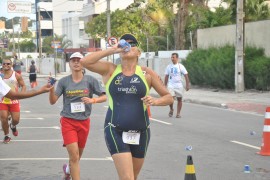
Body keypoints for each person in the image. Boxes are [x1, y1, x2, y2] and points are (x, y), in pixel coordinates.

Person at [81, 34, 173, 180]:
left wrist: (155, 101)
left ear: (138, 52)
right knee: (127, 178)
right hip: (115, 129)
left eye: (132, 43)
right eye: (125, 43)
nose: (127, 46)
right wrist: (112, 49)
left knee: (133, 177)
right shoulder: (110, 70)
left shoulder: (146, 73)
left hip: (141, 132)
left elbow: (169, 97)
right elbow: (85, 62)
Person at [48, 52, 106, 180]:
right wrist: (51, 89)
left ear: (83, 63)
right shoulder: (64, 81)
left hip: (84, 122)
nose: (76, 62)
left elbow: (104, 96)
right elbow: (52, 101)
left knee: (78, 156)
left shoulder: (90, 80)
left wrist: (93, 100)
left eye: (78, 60)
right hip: (68, 121)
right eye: (73, 60)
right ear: (69, 64)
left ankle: (68, 170)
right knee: (74, 156)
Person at [0, 59, 27, 143]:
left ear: (11, 65)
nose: (6, 65)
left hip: (14, 101)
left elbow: (23, 86)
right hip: (2, 100)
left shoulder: (16, 75)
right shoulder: (0, 75)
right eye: (4, 63)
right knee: (3, 118)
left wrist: (21, 95)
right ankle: (6, 136)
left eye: (8, 63)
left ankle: (13, 125)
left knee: (16, 120)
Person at [164, 52, 190, 118]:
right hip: (171, 85)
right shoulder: (169, 66)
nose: (172, 59)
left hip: (179, 85)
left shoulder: (180, 66)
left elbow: (186, 75)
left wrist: (187, 85)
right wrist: (164, 85)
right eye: (171, 57)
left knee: (179, 99)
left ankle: (178, 113)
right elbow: (166, 76)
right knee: (171, 98)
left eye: (173, 57)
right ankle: (171, 109)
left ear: (177, 58)